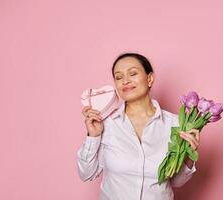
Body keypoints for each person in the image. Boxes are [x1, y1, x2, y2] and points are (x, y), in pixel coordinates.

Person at [77, 52, 200, 200]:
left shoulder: (175, 124)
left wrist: (189, 156)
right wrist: (93, 136)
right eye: (118, 77)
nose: (125, 81)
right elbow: (86, 174)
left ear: (149, 79)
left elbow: (176, 181)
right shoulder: (107, 124)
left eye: (132, 73)